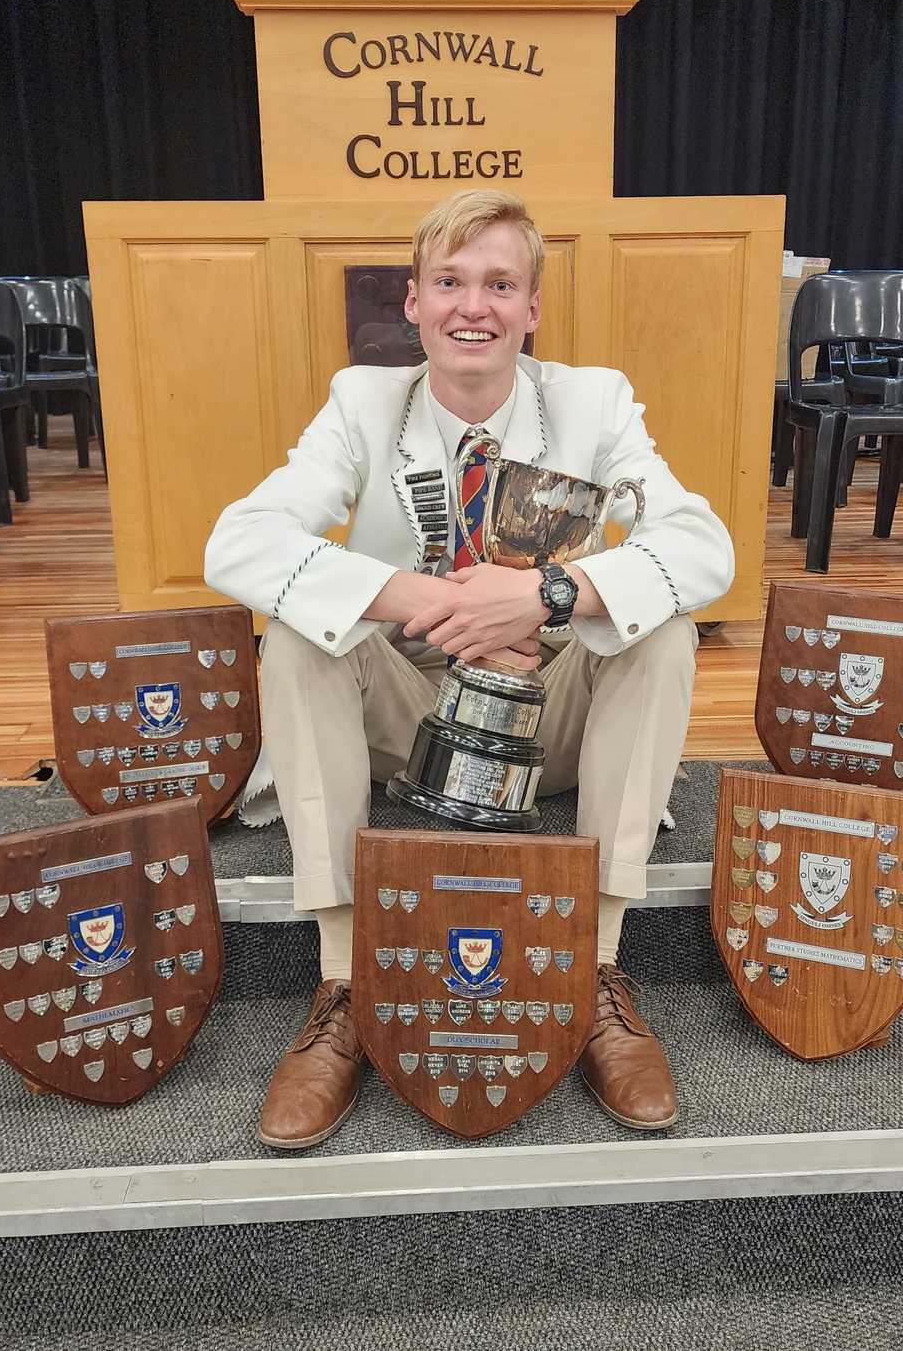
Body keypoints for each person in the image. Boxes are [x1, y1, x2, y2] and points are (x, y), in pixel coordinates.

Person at [204, 189, 734, 1148]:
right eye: (448, 281)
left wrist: (546, 598)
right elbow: (238, 542)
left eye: (500, 283)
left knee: (664, 628)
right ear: (413, 302)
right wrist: (415, 598)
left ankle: (601, 968)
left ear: (533, 308)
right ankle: (342, 982)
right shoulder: (363, 401)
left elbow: (704, 547)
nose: (472, 306)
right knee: (294, 631)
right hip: (411, 711)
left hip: (547, 710)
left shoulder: (595, 399)